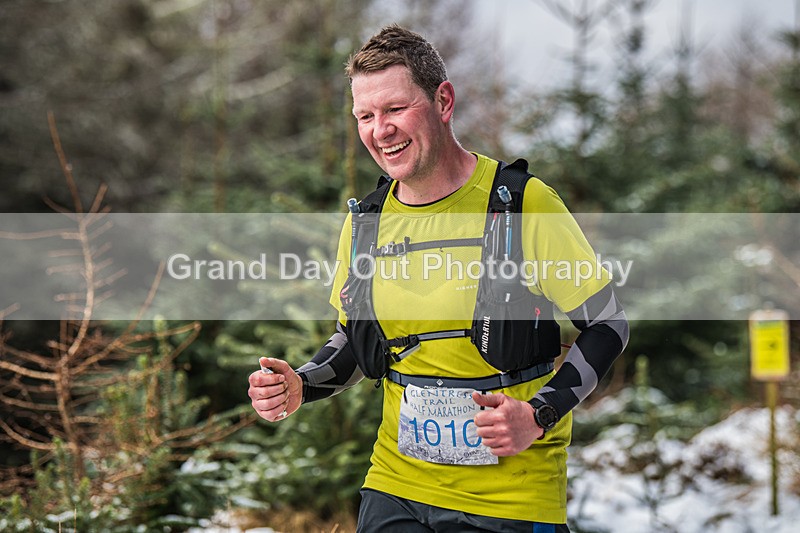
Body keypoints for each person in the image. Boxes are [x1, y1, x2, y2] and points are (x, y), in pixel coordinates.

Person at [248, 25, 629, 533]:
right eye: (365, 116)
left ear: (443, 101)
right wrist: (302, 383)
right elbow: (354, 340)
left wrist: (538, 414)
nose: (380, 130)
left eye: (395, 109)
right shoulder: (366, 224)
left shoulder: (521, 205)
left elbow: (607, 324)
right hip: (396, 487)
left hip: (510, 500)